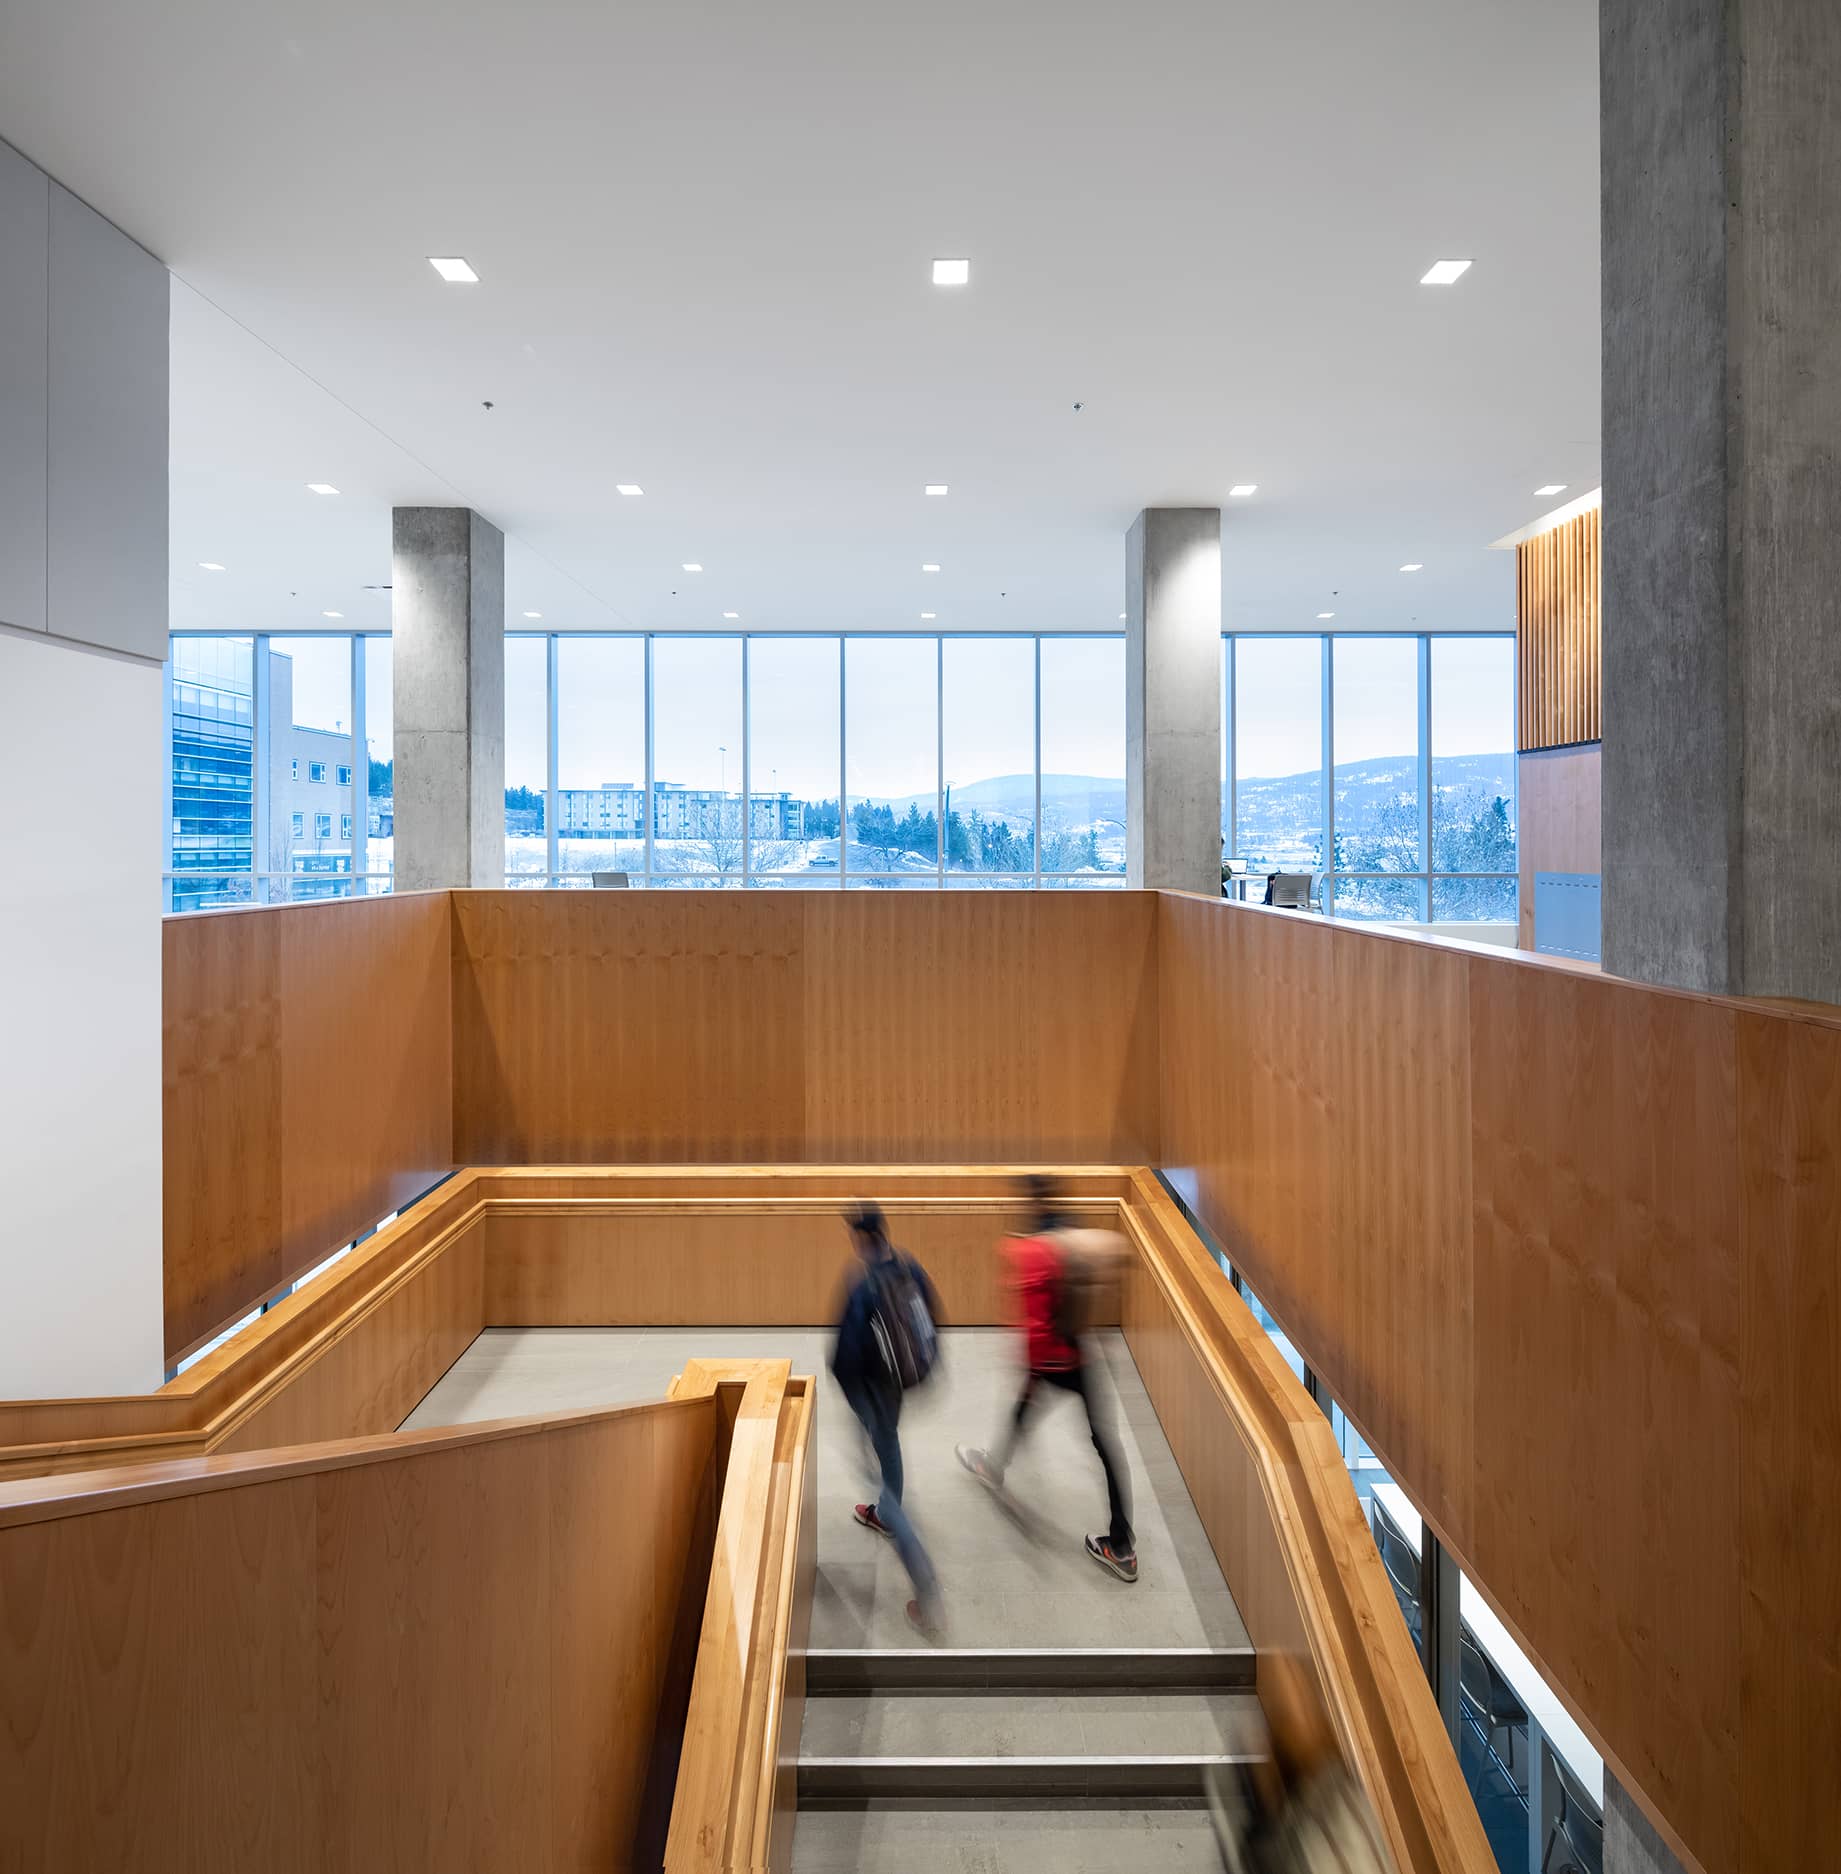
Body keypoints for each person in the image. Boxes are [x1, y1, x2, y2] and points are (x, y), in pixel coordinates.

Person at [957, 1174, 1138, 1581]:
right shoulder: (1071, 1231)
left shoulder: (1029, 1248)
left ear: (1028, 1202)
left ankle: (993, 1466)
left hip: (1048, 1359)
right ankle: (1122, 1546)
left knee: (1023, 1406)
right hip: (1079, 1355)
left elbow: (1032, 1317)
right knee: (1103, 1442)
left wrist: (1029, 1357)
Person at [830, 1200, 945, 1632]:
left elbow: (843, 1357)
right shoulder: (909, 1268)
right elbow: (932, 1320)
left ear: (862, 1239)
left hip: (872, 1390)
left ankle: (926, 1583)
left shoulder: (863, 1287)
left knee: (876, 1469)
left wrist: (854, 1401)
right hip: (899, 1385)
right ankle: (883, 1512)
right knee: (889, 1442)